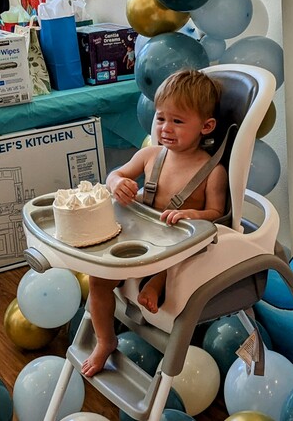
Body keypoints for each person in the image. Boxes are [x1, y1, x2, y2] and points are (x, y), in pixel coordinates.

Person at [82, 70, 228, 377]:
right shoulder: (150, 155)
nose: (166, 128)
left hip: (176, 245)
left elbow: (218, 213)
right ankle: (105, 341)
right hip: (139, 237)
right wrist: (116, 183)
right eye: (161, 119)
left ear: (206, 126)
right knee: (97, 280)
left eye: (177, 121)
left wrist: (194, 214)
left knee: (177, 250)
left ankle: (157, 283)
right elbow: (115, 175)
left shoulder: (212, 172)